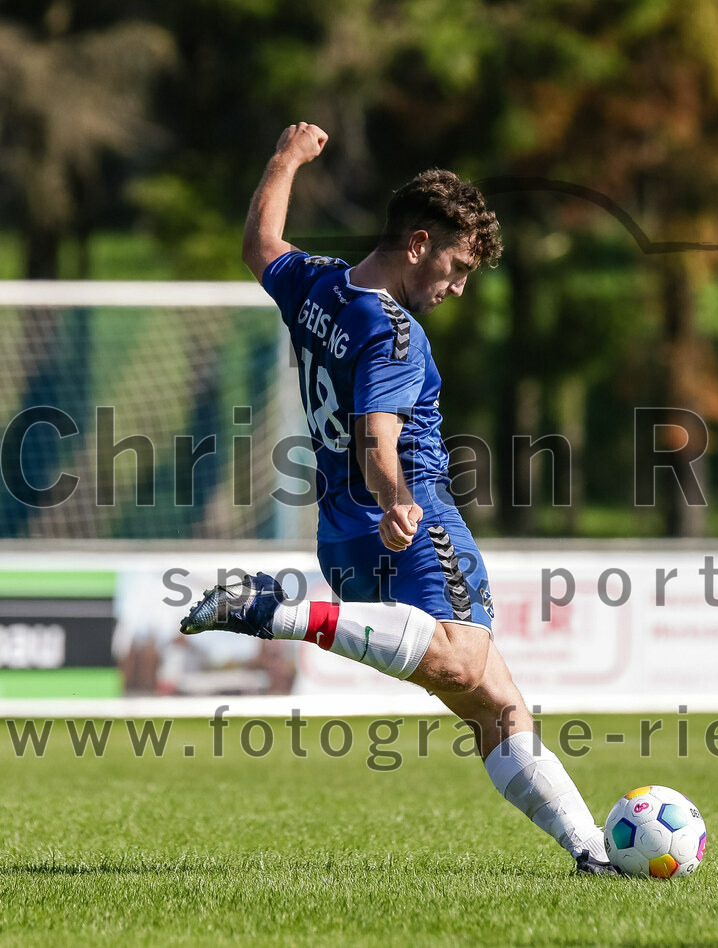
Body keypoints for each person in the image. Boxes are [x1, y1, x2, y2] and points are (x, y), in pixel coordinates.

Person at [181, 122, 617, 875]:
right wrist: (397, 500)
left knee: (497, 704)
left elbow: (261, 244)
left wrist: (284, 158)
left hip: (342, 536)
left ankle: (592, 853)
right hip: (408, 518)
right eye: (455, 266)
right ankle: (272, 608)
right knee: (463, 659)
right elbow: (376, 433)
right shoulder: (393, 331)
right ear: (417, 242)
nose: (457, 287)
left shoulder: (319, 282)